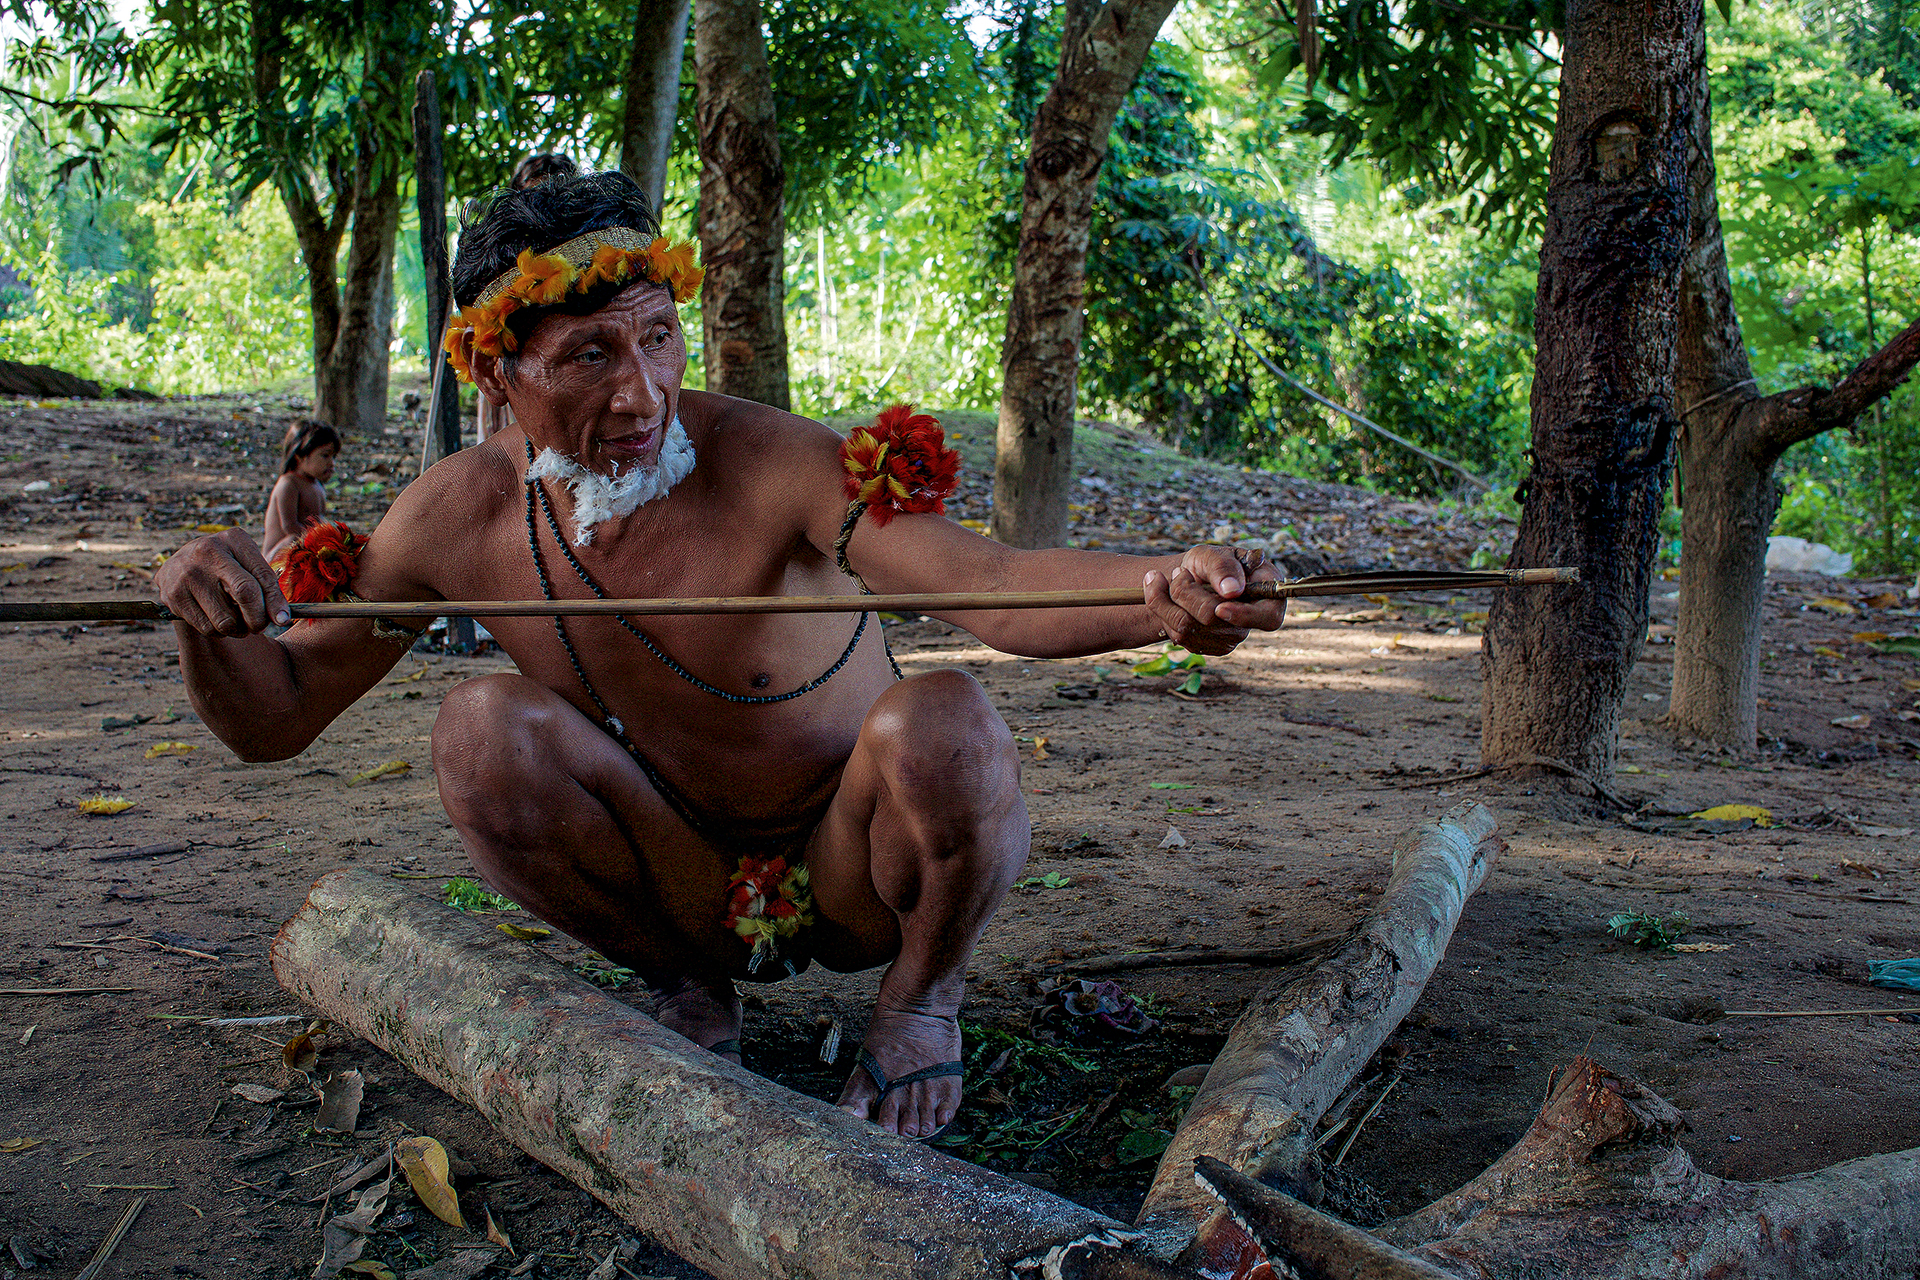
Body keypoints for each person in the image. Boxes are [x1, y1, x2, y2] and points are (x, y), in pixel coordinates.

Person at [152, 171, 1285, 1141]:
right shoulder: (452, 516)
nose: (641, 390)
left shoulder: (776, 461)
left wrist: (1162, 593)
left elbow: (990, 589)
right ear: (496, 374)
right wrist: (210, 621)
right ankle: (689, 989)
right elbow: (275, 713)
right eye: (588, 355)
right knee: (478, 729)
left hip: (858, 870)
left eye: (656, 336)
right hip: (679, 878)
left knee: (945, 723)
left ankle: (922, 1003)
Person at [478, 153, 581, 443]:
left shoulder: (583, 236)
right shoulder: (504, 243)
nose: (543, 200)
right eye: (535, 192)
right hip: (516, 356)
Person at [262, 422, 341, 561]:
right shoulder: (288, 484)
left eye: (333, 457)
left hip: (306, 547)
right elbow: (290, 527)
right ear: (300, 455)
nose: (332, 463)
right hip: (276, 558)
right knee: (294, 539)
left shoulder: (316, 484)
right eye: (325, 455)